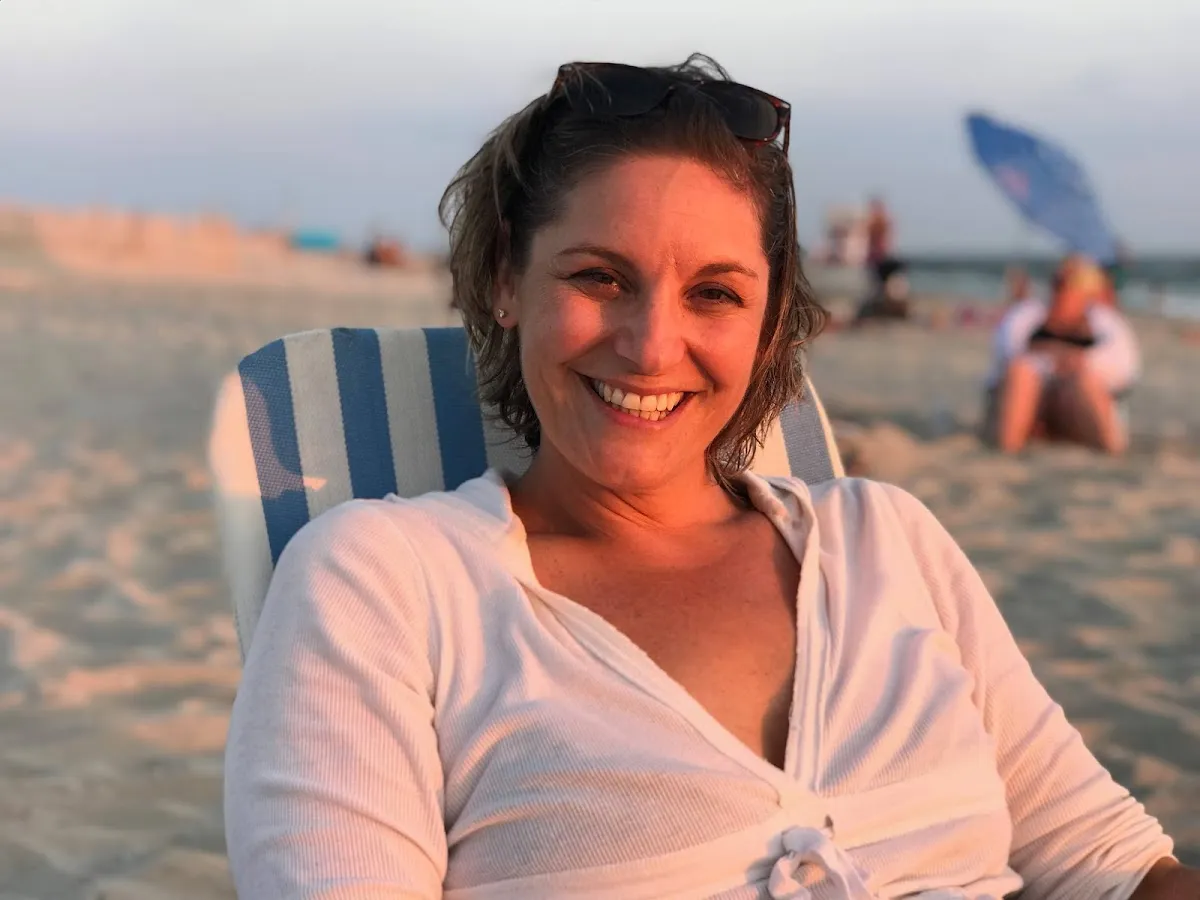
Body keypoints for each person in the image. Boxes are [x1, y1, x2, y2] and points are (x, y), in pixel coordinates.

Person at [224, 56, 1191, 898]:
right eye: (599, 277)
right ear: (506, 279)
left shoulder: (886, 542)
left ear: (769, 325)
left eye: (715, 293)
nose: (652, 347)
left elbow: (1109, 864)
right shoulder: (387, 583)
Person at [990, 255, 1140, 455]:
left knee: (1084, 381)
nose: (1066, 292)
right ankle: (1009, 448)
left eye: (1074, 286)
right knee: (1021, 373)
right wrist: (1063, 360)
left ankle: (1111, 449)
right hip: (1036, 399)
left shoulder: (1103, 323)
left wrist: (1070, 361)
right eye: (1063, 284)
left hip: (1073, 404)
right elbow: (1009, 356)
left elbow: (1124, 370)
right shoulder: (1027, 316)